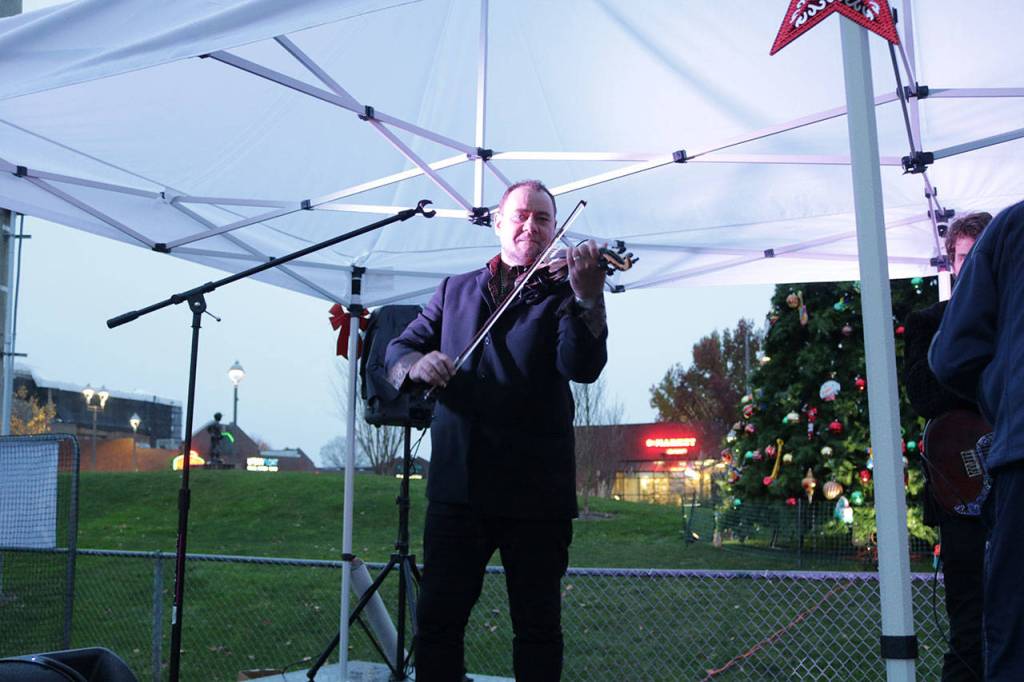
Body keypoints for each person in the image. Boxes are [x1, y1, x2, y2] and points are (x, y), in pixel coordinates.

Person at [385, 180, 608, 681]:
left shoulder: (564, 290)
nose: (532, 225)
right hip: (458, 489)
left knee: (537, 628)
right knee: (437, 623)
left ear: (554, 229)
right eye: (522, 215)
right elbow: (397, 350)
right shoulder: (454, 289)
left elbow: (582, 366)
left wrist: (588, 300)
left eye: (544, 219)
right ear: (498, 223)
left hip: (536, 495)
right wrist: (416, 365)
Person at [930, 199, 1024, 682]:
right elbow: (930, 386)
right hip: (968, 485)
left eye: (973, 255)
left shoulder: (1012, 226)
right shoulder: (931, 316)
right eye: (959, 257)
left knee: (1012, 633)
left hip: (1014, 457)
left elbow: (951, 359)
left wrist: (1004, 395)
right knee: (972, 617)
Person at [904, 212, 991, 681]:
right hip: (963, 495)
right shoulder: (930, 321)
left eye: (982, 252)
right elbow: (924, 395)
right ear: (952, 263)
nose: (973, 263)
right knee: (968, 630)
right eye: (964, 255)